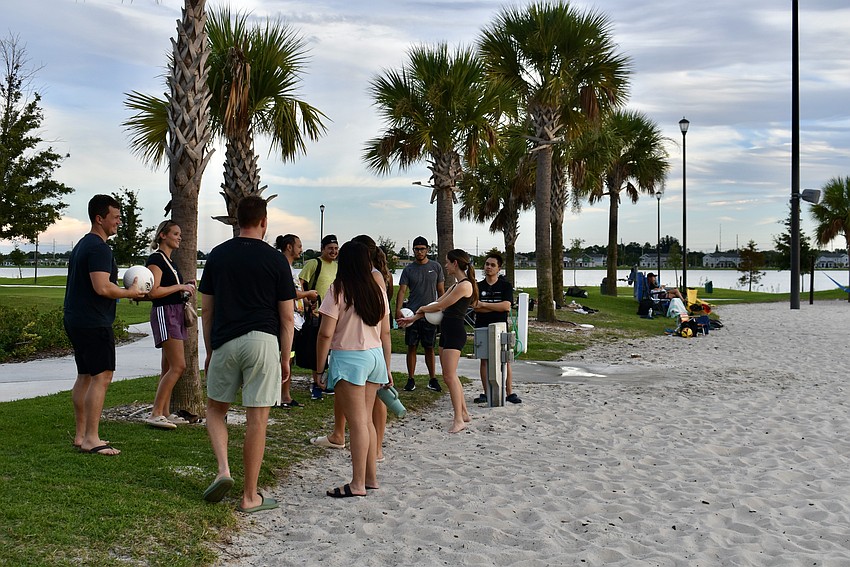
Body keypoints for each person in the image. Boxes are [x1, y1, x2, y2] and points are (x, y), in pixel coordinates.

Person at [199, 196, 295, 513]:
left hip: (225, 340)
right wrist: (284, 357)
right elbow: (286, 317)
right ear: (264, 222)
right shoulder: (277, 261)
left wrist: (210, 350)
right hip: (263, 341)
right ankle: (250, 496)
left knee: (215, 409)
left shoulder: (216, 256)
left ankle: (223, 469)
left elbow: (207, 311)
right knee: (257, 419)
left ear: (237, 221)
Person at [64, 194, 147, 456]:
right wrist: (131, 293)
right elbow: (101, 287)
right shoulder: (99, 248)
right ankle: (91, 438)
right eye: (115, 217)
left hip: (76, 319)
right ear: (99, 218)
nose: (119, 222)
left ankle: (81, 435)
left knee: (86, 376)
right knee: (102, 376)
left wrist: (124, 293)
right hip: (93, 322)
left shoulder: (82, 245)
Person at [316, 241, 392, 497]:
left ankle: (357, 483)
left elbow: (326, 333)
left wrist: (319, 369)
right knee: (367, 421)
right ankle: (370, 477)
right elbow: (385, 331)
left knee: (357, 422)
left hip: (350, 358)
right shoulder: (377, 290)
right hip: (374, 355)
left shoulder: (339, 289)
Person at [400, 249, 476, 433]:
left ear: (455, 263)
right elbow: (435, 305)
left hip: (456, 333)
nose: (446, 265)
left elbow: (441, 305)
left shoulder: (465, 286)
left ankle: (458, 419)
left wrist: (420, 308)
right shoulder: (455, 285)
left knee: (449, 376)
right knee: (451, 375)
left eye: (448, 262)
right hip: (446, 332)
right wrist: (413, 318)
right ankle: (464, 413)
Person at [144, 220, 197, 429]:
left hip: (174, 312)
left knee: (167, 366)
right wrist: (179, 287)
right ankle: (156, 413)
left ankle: (164, 412)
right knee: (178, 365)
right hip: (165, 314)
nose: (179, 237)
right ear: (162, 235)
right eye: (175, 233)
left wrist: (185, 287)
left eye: (180, 234)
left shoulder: (169, 261)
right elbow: (153, 292)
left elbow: (170, 289)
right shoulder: (156, 259)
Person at [275, 234, 319, 408]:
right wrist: (308, 293)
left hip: (297, 321)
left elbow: (295, 295)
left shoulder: (291, 269)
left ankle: (285, 395)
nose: (301, 249)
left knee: (289, 359)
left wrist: (308, 302)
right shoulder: (283, 267)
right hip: (288, 322)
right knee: (285, 359)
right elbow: (289, 293)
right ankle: (279, 396)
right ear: (288, 247)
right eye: (299, 246)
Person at [395, 236, 444, 392]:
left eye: (422, 249)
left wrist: (442, 309)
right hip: (412, 314)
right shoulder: (408, 269)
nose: (419, 251)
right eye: (416, 249)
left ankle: (432, 379)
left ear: (427, 250)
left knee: (429, 347)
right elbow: (402, 290)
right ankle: (411, 379)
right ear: (413, 250)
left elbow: (441, 291)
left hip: (430, 314)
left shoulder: (436, 267)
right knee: (412, 346)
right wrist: (398, 310)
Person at [473, 252, 521, 404]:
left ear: (499, 268)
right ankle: (486, 393)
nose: (489, 267)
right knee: (484, 360)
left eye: (492, 265)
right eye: (487, 264)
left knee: (504, 360)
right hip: (482, 326)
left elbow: (506, 306)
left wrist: (485, 304)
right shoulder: (478, 286)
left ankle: (509, 392)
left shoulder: (505, 286)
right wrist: (493, 307)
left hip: (500, 328)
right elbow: (475, 307)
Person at [299, 234, 339, 400]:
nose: (334, 251)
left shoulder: (337, 267)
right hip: (317, 314)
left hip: (334, 315)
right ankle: (316, 384)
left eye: (336, 249)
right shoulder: (314, 263)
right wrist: (307, 302)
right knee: (318, 351)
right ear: (323, 249)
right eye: (330, 248)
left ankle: (327, 381)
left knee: (332, 350)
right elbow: (300, 282)